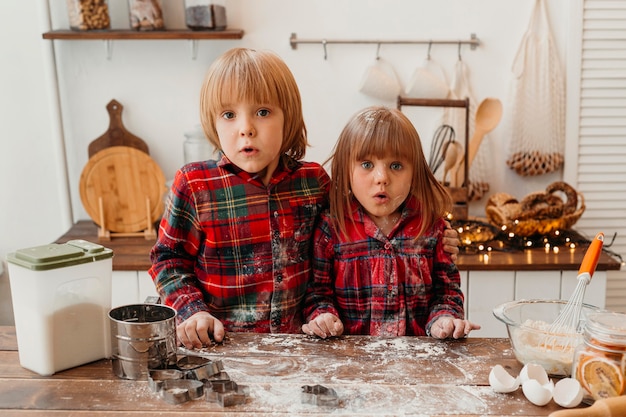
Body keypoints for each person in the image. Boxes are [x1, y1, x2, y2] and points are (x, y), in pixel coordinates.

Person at [149, 48, 461, 349]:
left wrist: (434, 234)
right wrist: (192, 310)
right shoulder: (195, 184)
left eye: (262, 112)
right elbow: (168, 259)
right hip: (221, 346)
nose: (246, 129)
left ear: (289, 117)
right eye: (229, 114)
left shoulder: (313, 183)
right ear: (212, 121)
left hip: (300, 347)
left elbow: (371, 219)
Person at [302, 106, 480, 340]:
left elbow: (447, 293)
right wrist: (323, 316)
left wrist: (443, 319)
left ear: (414, 172)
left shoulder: (431, 227)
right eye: (366, 165)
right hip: (350, 364)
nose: (382, 178)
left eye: (396, 166)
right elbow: (317, 293)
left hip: (418, 364)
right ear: (347, 170)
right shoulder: (331, 228)